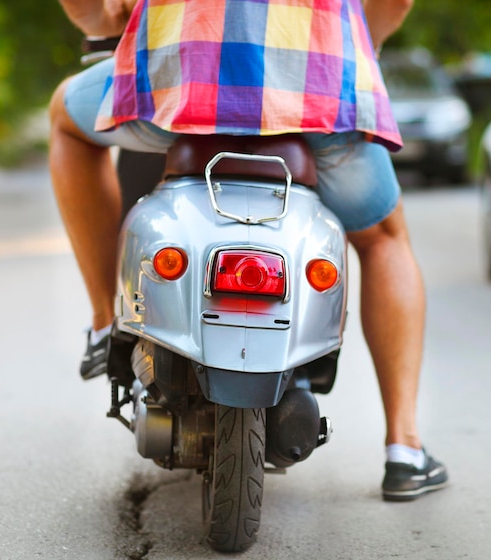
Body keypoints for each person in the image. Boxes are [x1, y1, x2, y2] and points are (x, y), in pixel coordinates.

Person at [49, 0, 448, 502]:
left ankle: (107, 321)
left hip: (179, 91)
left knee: (65, 119)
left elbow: (93, 9)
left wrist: (106, 19)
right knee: (384, 238)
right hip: (320, 95)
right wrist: (359, 39)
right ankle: (404, 449)